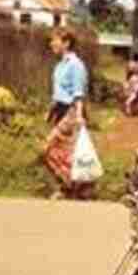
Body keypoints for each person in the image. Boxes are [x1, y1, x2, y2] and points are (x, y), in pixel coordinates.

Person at [41, 29, 90, 200]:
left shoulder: (75, 65)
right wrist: (51, 110)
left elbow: (78, 93)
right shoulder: (60, 65)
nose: (51, 44)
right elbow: (59, 91)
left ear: (66, 43)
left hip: (71, 111)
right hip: (60, 110)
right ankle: (74, 187)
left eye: (55, 40)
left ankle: (73, 185)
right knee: (62, 151)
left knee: (48, 147)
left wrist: (78, 116)